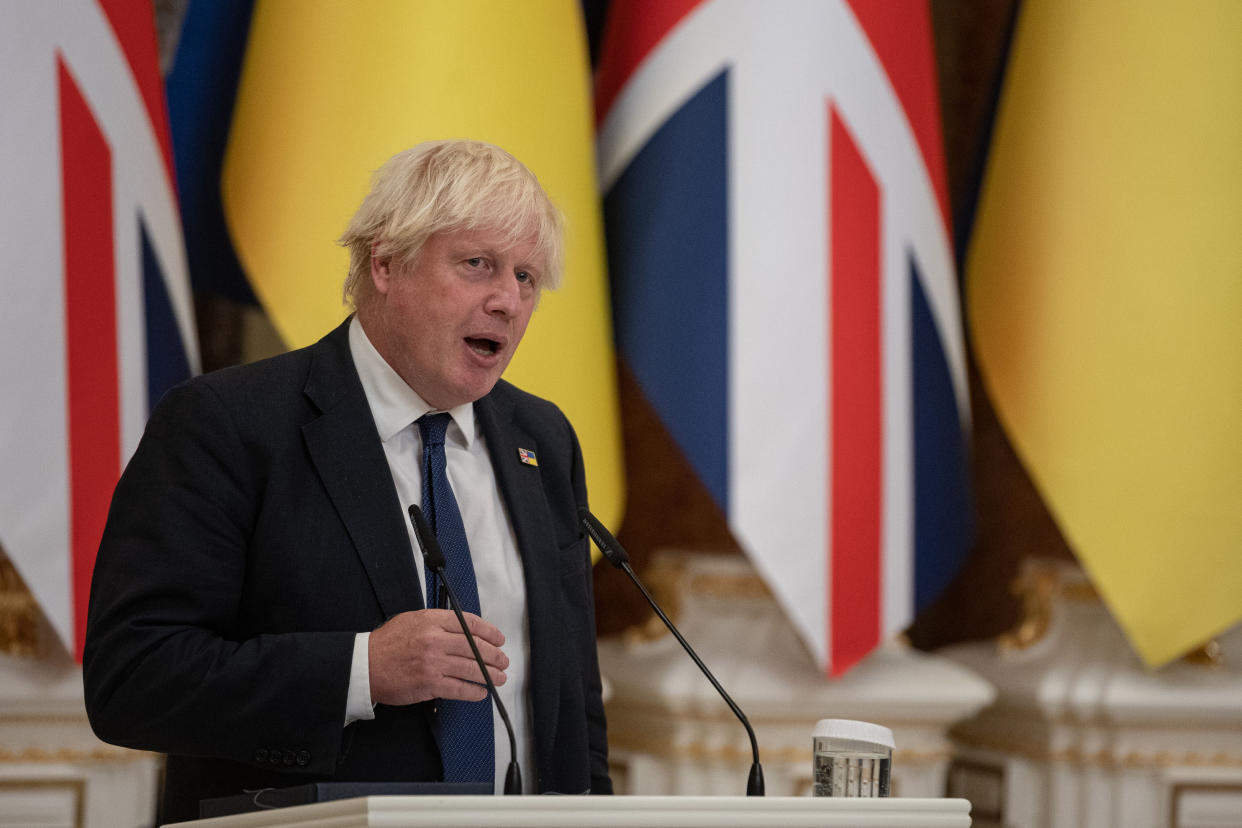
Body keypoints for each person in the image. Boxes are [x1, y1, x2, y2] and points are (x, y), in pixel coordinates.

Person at [83, 140, 611, 822]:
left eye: (527, 277)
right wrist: (361, 670)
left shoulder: (541, 440)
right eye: (477, 264)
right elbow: (134, 679)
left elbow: (574, 701)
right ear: (385, 262)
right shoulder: (230, 425)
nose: (508, 301)